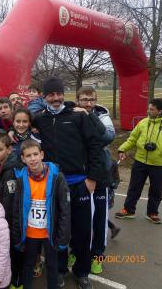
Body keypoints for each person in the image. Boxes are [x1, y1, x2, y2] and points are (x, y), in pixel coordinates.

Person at [31, 77, 103, 289]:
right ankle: (60, 270)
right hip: (53, 184)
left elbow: (95, 147)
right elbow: (19, 125)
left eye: (58, 94)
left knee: (82, 231)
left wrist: (92, 179)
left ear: (63, 94)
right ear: (45, 97)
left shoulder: (78, 116)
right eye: (51, 94)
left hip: (80, 182)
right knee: (57, 230)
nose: (55, 98)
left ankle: (82, 272)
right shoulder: (40, 120)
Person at [13, 140, 71, 289]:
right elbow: (16, 209)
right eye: (28, 156)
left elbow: (65, 208)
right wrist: (17, 234)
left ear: (42, 155)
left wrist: (63, 235)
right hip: (30, 233)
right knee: (28, 265)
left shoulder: (57, 177)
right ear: (23, 159)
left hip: (49, 233)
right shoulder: (20, 179)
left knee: (52, 266)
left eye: (35, 154)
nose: (32, 158)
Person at [75, 86, 116, 274]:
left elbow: (108, 137)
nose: (88, 103)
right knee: (78, 220)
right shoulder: (73, 115)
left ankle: (97, 256)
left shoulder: (102, 116)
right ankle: (75, 251)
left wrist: (88, 115)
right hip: (79, 175)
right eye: (84, 100)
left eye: (92, 99)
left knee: (99, 219)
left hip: (100, 176)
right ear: (77, 100)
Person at [115, 98, 162, 224]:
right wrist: (122, 149)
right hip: (140, 161)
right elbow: (132, 139)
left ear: (160, 111)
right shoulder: (144, 122)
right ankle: (129, 210)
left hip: (159, 164)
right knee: (134, 187)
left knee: (156, 190)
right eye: (148, 108)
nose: (148, 111)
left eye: (152, 109)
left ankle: (152, 213)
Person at [0, 132, 23, 288]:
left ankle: (17, 281)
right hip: (3, 216)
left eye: (0, 149)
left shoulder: (11, 170)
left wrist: (3, 222)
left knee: (13, 250)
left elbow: (9, 202)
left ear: (9, 150)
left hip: (10, 219)